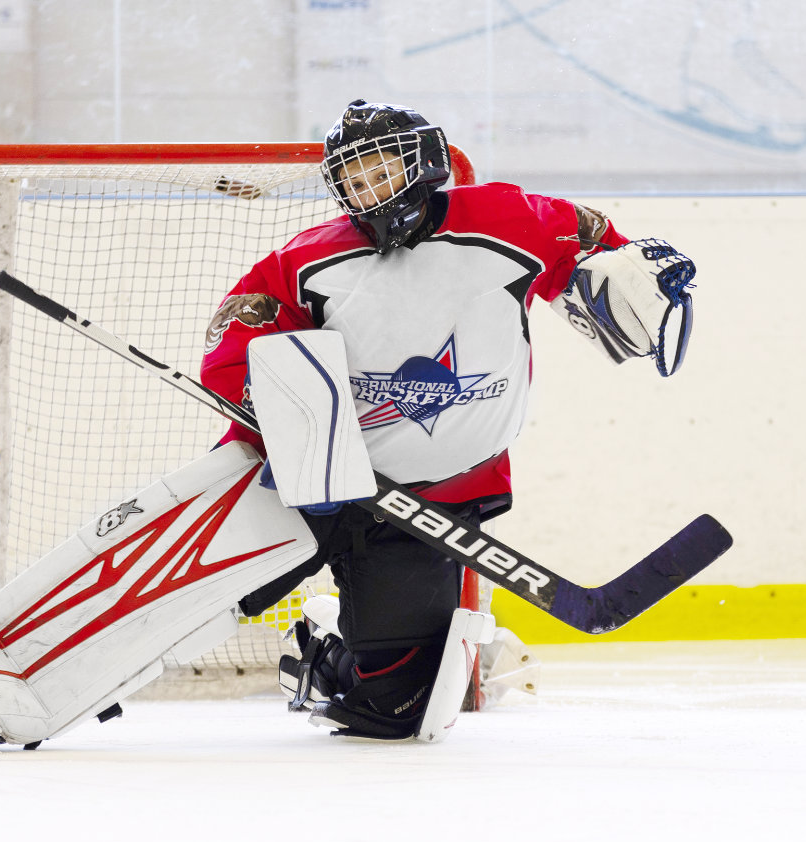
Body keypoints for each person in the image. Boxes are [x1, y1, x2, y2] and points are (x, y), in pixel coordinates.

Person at [199, 98, 696, 740]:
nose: (369, 193)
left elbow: (595, 239)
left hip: (431, 501)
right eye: (353, 181)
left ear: (426, 164)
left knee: (396, 706)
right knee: (208, 603)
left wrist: (634, 271)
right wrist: (278, 427)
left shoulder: (506, 220)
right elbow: (239, 336)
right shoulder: (310, 259)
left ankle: (326, 653)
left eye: (381, 172)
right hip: (309, 484)